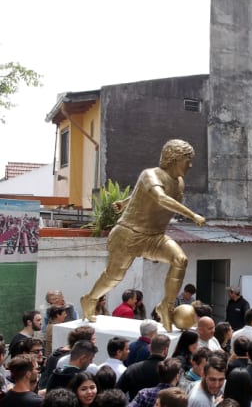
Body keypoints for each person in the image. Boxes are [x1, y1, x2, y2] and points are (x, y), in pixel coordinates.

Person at [80, 139, 206, 332]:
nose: (190, 165)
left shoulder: (179, 183)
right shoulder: (150, 174)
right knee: (114, 276)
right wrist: (192, 214)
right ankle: (90, 299)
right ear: (174, 158)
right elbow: (160, 197)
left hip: (155, 237)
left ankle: (166, 306)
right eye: (187, 160)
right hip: (129, 234)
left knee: (180, 259)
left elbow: (144, 193)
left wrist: (124, 202)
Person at [118, 334, 171, 401]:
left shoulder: (133, 369)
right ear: (165, 351)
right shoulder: (171, 372)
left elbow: (117, 393)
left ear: (149, 348)